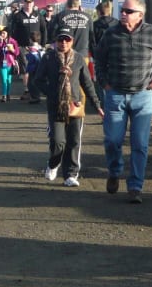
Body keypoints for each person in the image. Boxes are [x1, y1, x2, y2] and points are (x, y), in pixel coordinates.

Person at [94, 0, 152, 204]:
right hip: (115, 95)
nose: (123, 14)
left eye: (128, 11)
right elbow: (98, 58)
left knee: (140, 144)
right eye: (122, 9)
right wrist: (104, 82)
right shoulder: (111, 34)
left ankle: (135, 187)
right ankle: (114, 170)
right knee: (112, 140)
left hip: (142, 96)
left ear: (140, 15)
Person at [31, 26, 103, 186]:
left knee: (74, 141)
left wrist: (96, 104)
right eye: (60, 39)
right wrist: (52, 92)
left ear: (72, 41)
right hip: (55, 105)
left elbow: (87, 82)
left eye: (67, 39)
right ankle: (53, 163)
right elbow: (38, 80)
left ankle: (71, 174)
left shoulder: (78, 59)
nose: (63, 42)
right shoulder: (49, 58)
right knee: (57, 141)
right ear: (56, 41)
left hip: (75, 105)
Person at [9, 0, 46, 97]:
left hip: (36, 47)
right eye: (27, 2)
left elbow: (44, 30)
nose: (28, 4)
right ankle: (27, 89)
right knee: (25, 68)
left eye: (30, 3)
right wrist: (16, 46)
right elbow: (13, 32)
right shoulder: (18, 16)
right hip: (23, 47)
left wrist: (42, 45)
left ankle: (36, 88)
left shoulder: (38, 15)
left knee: (37, 68)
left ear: (33, 4)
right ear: (24, 3)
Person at [0, 27, 20, 102]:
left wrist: (12, 49)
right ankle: (4, 95)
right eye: (1, 33)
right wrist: (0, 43)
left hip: (11, 63)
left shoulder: (13, 41)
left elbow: (17, 53)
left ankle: (8, 94)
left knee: (9, 80)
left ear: (8, 33)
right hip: (2, 63)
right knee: (4, 79)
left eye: (4, 33)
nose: (2, 34)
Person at [23, 31, 43, 103]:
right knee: (35, 81)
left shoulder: (32, 48)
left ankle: (35, 97)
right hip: (39, 66)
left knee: (31, 82)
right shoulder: (40, 47)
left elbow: (32, 58)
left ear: (31, 39)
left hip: (33, 67)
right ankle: (35, 96)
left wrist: (27, 53)